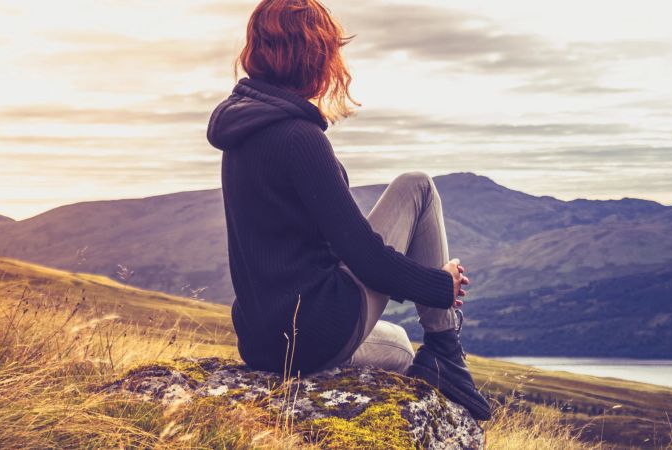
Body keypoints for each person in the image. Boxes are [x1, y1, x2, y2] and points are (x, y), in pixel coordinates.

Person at [206, 0, 491, 420]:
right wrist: (439, 285)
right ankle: (446, 350)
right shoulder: (299, 137)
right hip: (314, 332)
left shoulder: (241, 131)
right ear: (314, 54)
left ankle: (435, 357)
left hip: (262, 341)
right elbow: (364, 256)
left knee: (394, 343)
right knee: (418, 186)